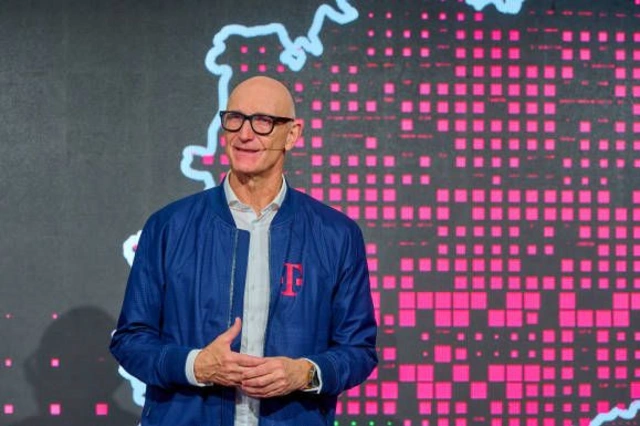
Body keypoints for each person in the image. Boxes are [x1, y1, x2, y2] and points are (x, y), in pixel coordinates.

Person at [110, 75, 378, 426]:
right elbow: (130, 341)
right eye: (235, 119)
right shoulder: (168, 227)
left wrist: (305, 373)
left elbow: (358, 350)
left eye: (262, 121)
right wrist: (195, 365)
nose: (245, 134)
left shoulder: (337, 235)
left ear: (292, 134)